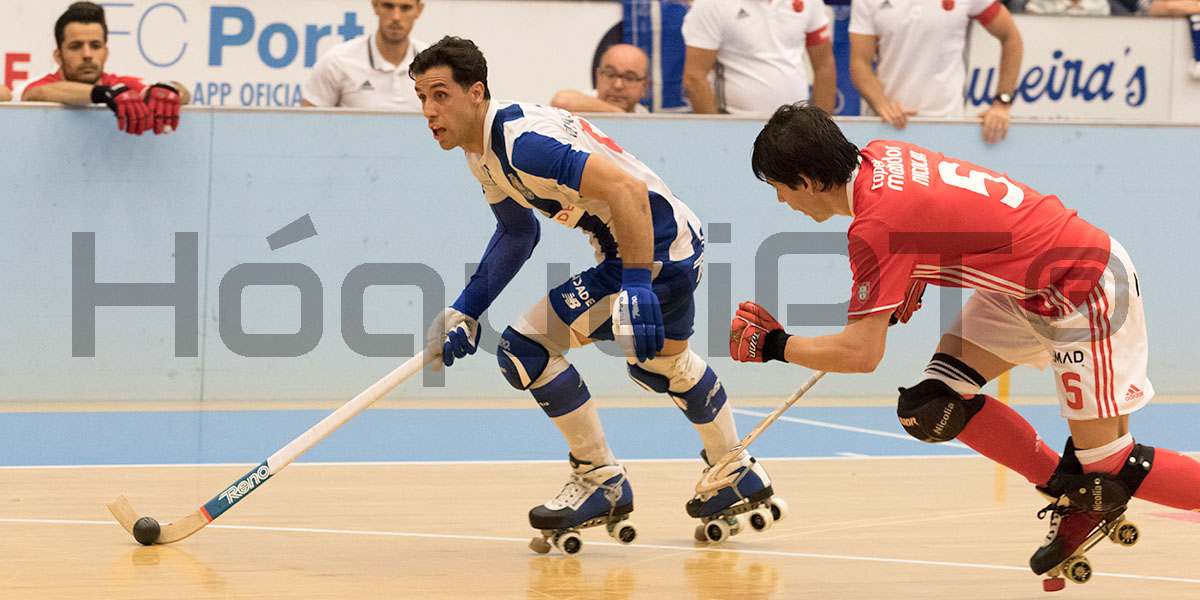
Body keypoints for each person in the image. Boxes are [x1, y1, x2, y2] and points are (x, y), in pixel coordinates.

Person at [734, 103, 1200, 583]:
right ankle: (1069, 492)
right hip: (1020, 288)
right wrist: (914, 273)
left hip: (1082, 285)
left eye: (779, 189)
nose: (782, 202)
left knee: (1109, 469)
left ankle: (1090, 491)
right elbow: (943, 211)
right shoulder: (883, 155)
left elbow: (861, 354)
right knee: (932, 405)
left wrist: (773, 344)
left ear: (806, 182)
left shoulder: (874, 226)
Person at [411, 36, 780, 543]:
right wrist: (467, 310)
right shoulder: (484, 155)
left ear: (476, 93)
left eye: (440, 94)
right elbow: (519, 233)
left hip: (650, 249)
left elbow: (626, 191)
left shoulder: (523, 145)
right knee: (662, 365)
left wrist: (635, 282)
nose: (429, 110)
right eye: (421, 98)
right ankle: (736, 470)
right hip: (676, 239)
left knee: (524, 349)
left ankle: (599, 479)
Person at [848, 0, 1023, 145]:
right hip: (887, 127)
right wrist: (882, 104)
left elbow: (1011, 38)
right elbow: (860, 62)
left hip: (947, 126)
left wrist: (1002, 103)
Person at [22, 2, 189, 135]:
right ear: (58, 56)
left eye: (95, 46)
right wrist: (103, 94)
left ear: (106, 52)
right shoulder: (43, 85)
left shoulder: (119, 85)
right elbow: (37, 94)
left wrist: (170, 90)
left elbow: (182, 93)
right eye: (75, 46)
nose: (87, 54)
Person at [681, 0, 836, 115]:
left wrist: (823, 130)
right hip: (735, 124)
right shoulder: (711, 4)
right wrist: (713, 132)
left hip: (796, 128)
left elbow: (824, 64)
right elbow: (695, 77)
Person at [301, 0, 426, 109]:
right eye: (388, 6)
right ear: (375, 5)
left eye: (406, 8)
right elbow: (307, 125)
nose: (396, 17)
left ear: (419, 10)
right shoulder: (336, 62)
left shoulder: (435, 63)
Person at [550, 44, 651, 114]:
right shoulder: (582, 103)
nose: (618, 85)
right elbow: (561, 101)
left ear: (644, 86)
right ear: (598, 77)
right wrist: (619, 115)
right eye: (610, 75)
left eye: (629, 78)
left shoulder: (643, 118)